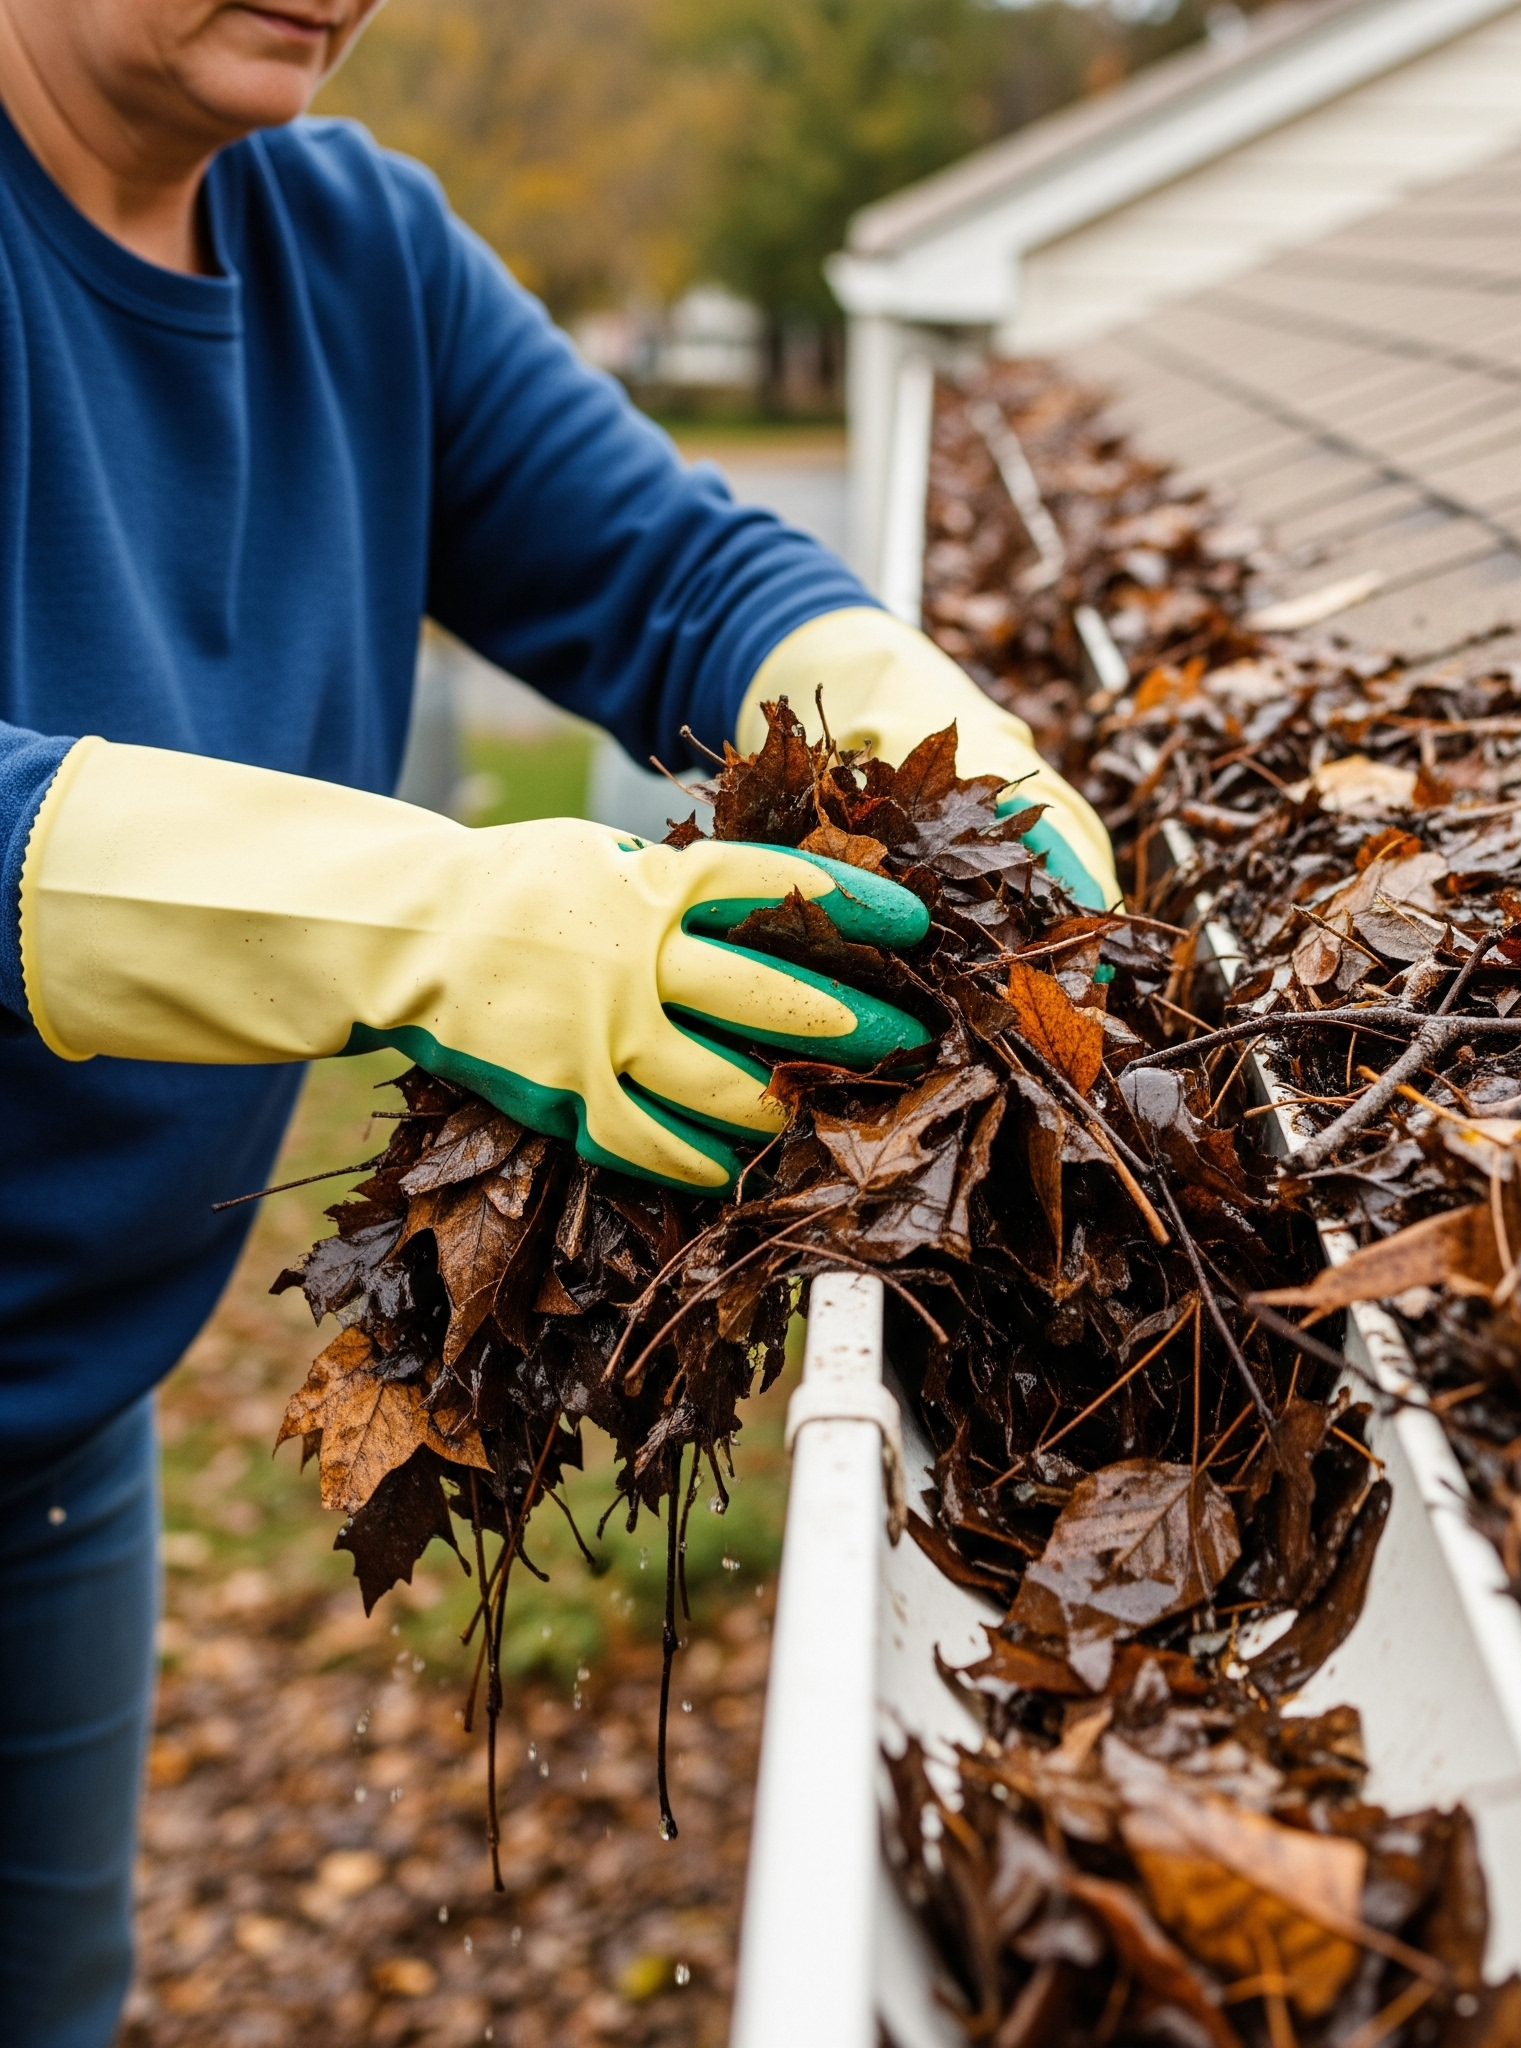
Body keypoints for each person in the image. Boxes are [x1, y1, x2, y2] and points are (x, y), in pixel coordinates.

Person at [0, 3, 1119, 2040]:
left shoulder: (353, 254)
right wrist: (439, 913)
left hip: (47, 1428)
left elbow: (677, 578)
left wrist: (964, 768)